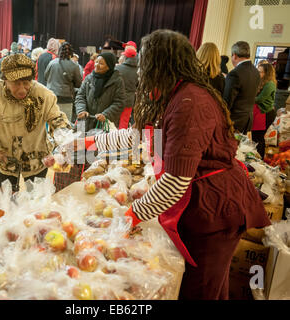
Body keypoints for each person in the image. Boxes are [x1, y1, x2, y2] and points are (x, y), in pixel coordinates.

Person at [73, 29, 270, 300]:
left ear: (160, 64)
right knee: (208, 285)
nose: (140, 71)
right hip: (203, 203)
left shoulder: (189, 102)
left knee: (201, 290)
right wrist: (89, 143)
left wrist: (131, 216)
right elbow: (136, 137)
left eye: (145, 64)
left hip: (214, 210)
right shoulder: (174, 93)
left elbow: (175, 182)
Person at [0, 53, 71, 191]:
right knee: (8, 201)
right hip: (5, 159)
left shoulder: (43, 95)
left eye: (26, 83)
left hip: (37, 158)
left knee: (36, 201)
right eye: (16, 83)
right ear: (4, 79)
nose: (22, 89)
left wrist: (64, 142)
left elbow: (57, 119)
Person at [75, 52, 125, 131]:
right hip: (84, 121)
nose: (97, 65)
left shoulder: (117, 81)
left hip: (104, 123)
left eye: (101, 63)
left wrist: (105, 114)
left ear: (109, 66)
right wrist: (81, 110)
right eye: (96, 62)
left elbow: (119, 102)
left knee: (101, 143)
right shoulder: (89, 78)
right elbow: (80, 96)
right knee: (80, 143)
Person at [223, 41, 260, 133]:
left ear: (234, 55)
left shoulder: (235, 73)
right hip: (247, 120)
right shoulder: (255, 71)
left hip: (234, 121)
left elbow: (227, 101)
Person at [45, 42, 82, 122]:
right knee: (65, 123)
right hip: (66, 97)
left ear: (59, 51)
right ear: (71, 53)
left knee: (51, 122)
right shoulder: (74, 66)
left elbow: (46, 77)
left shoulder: (52, 63)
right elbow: (79, 83)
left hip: (52, 96)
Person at [252, 63, 277, 158]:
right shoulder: (262, 82)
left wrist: (246, 97)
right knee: (256, 136)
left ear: (267, 73)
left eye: (260, 72)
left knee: (258, 137)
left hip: (266, 113)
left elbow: (260, 99)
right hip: (261, 112)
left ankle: (260, 158)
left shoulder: (270, 84)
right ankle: (257, 157)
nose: (258, 74)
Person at [115, 47, 138, 128]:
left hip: (117, 99)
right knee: (124, 122)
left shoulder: (118, 68)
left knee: (113, 123)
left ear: (126, 57)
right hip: (129, 100)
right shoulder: (138, 70)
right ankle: (122, 139)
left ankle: (112, 139)